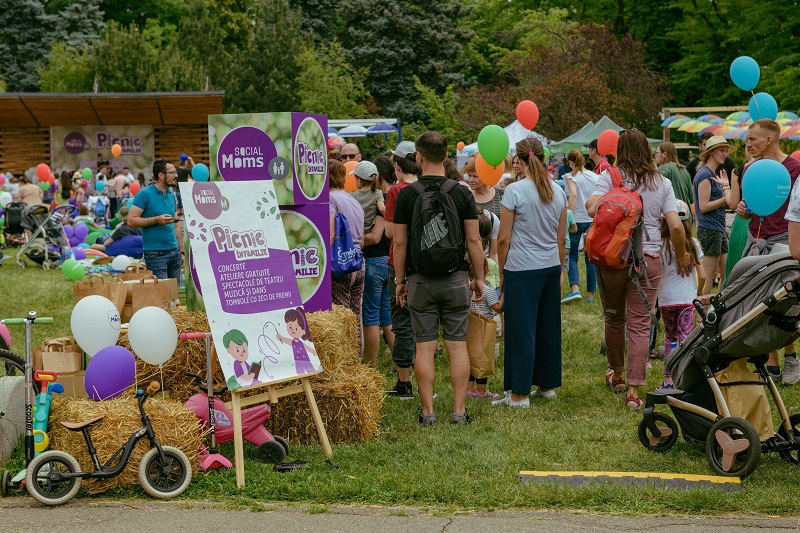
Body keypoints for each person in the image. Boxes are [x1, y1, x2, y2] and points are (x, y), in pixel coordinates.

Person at [587, 129, 690, 411]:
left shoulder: (611, 176)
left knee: (614, 316)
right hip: (649, 259)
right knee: (640, 323)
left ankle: (616, 374)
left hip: (615, 258)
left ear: (621, 149)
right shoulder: (662, 181)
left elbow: (590, 208)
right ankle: (634, 389)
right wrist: (681, 256)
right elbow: (677, 225)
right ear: (647, 150)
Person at [393, 132, 483, 425]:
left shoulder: (407, 195)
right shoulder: (461, 193)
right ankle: (458, 411)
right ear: (446, 156)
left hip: (420, 281)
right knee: (457, 345)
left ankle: (429, 412)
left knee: (425, 347)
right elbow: (473, 241)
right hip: (455, 278)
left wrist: (399, 281)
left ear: (418, 157)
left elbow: (400, 244)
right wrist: (479, 277)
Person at [493, 137, 567, 408]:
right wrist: (560, 270)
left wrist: (502, 272)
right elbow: (561, 239)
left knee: (521, 330)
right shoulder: (558, 190)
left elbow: (503, 238)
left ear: (520, 161)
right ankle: (546, 386)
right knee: (547, 327)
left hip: (522, 269)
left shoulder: (515, 191)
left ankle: (519, 394)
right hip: (549, 266)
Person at [736, 119, 800, 383]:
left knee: (784, 303)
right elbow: (752, 204)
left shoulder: (795, 169)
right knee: (760, 303)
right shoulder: (751, 168)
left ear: (769, 140)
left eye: (752, 139)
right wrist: (742, 209)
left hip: (785, 239)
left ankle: (791, 357)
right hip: (756, 239)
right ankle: (770, 363)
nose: (747, 144)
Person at [657, 200, 705, 390]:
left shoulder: (660, 245)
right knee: (686, 338)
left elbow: (658, 276)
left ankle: (669, 379)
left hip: (667, 300)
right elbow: (702, 275)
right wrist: (699, 291)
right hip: (687, 300)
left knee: (670, 337)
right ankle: (685, 377)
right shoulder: (693, 244)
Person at [384, 141, 419, 399]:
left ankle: (404, 383)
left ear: (396, 165)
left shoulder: (396, 191)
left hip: (399, 264)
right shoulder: (425, 187)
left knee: (401, 322)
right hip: (422, 264)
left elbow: (390, 232)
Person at [351, 160, 392, 367]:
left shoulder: (352, 198)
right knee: (386, 314)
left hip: (370, 261)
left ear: (358, 179)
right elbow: (384, 217)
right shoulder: (381, 198)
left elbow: (374, 238)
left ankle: (370, 367)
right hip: (386, 261)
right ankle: (401, 363)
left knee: (370, 316)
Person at [328, 159, 366, 354]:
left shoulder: (330, 200)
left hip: (340, 264)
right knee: (355, 314)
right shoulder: (353, 200)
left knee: (341, 315)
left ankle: (344, 360)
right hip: (358, 262)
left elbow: (331, 234)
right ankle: (356, 358)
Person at [127, 158, 184, 280]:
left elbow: (176, 225)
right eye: (173, 172)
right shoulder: (144, 194)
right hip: (156, 254)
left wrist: (182, 252)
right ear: (161, 175)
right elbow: (131, 220)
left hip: (174, 252)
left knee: (174, 295)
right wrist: (156, 220)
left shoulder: (171, 196)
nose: (176, 175)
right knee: (162, 296)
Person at [693, 136, 733, 295]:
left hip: (718, 228)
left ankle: (716, 309)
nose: (725, 154)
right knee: (710, 275)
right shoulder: (705, 175)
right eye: (721, 150)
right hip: (709, 229)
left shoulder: (712, 173)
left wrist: (725, 187)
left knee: (725, 273)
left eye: (726, 151)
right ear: (711, 152)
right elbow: (703, 207)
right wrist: (727, 197)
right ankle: (702, 315)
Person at [562, 150, 598, 303]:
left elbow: (573, 194)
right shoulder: (595, 177)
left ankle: (575, 290)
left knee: (571, 256)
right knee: (590, 259)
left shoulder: (571, 176)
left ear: (570, 163)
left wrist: (570, 212)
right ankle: (591, 296)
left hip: (576, 220)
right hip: (591, 219)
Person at [466, 254, 502, 400]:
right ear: (486, 269)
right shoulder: (488, 290)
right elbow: (497, 308)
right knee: (483, 360)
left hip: (470, 327)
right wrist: (505, 295)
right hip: (484, 329)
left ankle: (469, 389)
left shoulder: (466, 288)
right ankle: (481, 391)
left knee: (470, 358)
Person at [655, 142, 694, 209]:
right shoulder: (684, 171)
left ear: (664, 154)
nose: (655, 156)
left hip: (672, 215)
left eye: (657, 153)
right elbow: (691, 199)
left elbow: (656, 196)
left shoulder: (663, 169)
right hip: (687, 215)